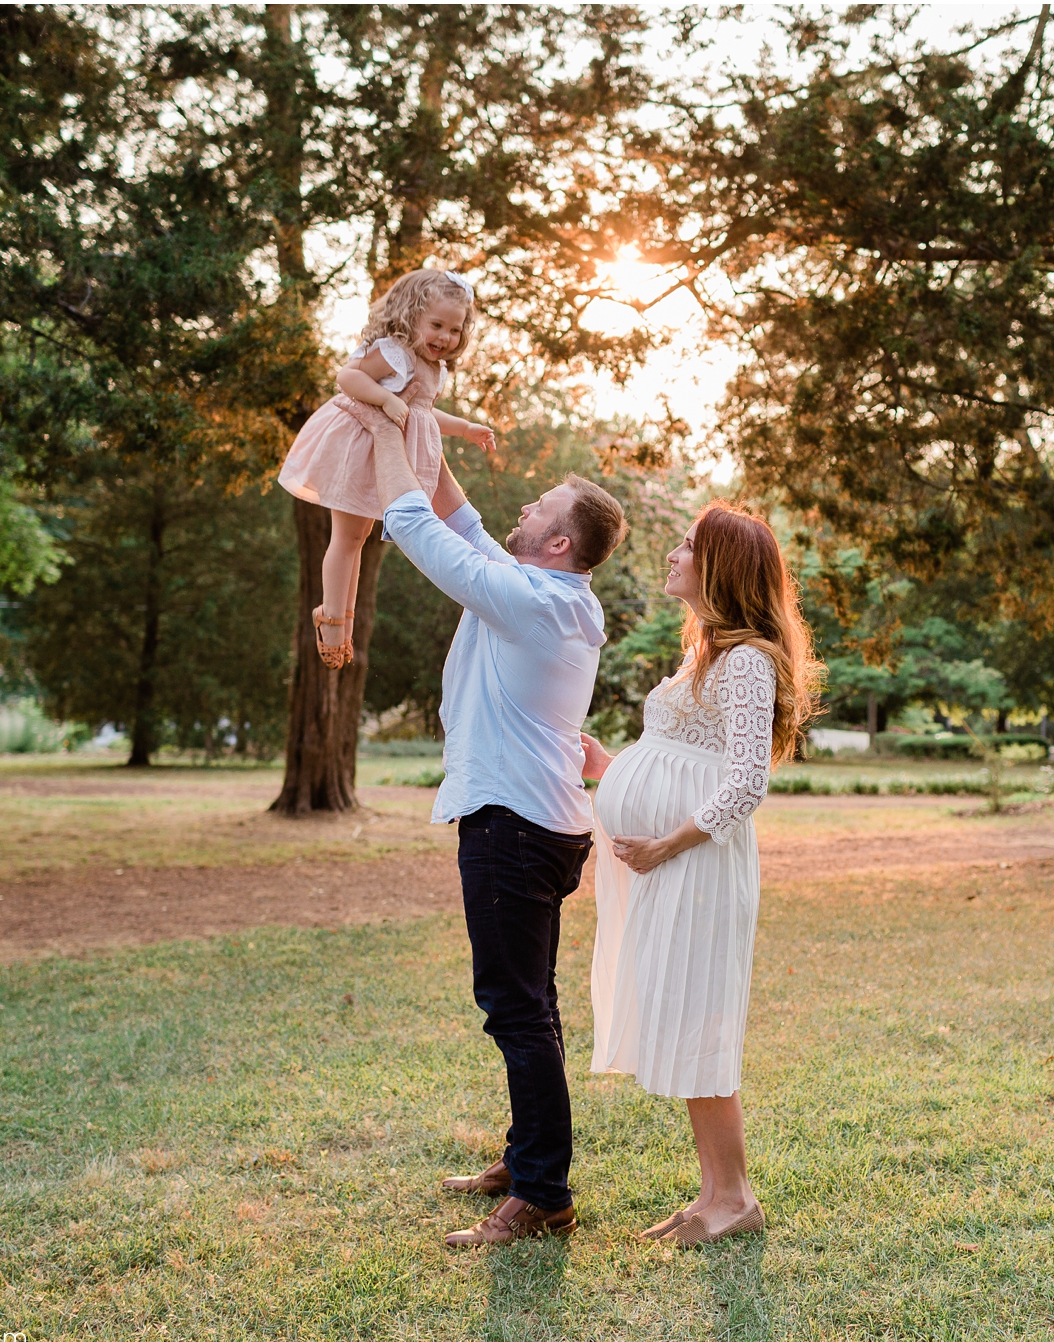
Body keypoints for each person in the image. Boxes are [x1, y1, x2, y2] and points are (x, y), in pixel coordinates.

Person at [366, 411, 629, 1249]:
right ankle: (525, 1162)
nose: (523, 508)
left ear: (559, 544)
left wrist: (377, 431)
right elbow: (462, 518)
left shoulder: (528, 602)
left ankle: (544, 1193)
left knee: (515, 1010)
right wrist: (420, 425)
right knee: (531, 1004)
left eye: (541, 506)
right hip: (535, 821)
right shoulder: (546, 593)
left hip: (513, 826)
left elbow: (417, 526)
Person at [579, 503, 821, 1247]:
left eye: (687, 545)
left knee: (702, 1020)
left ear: (719, 567)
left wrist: (667, 844)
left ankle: (736, 1197)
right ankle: (714, 1191)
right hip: (675, 862)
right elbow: (688, 760)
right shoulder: (706, 652)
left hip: (700, 865)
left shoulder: (747, 661)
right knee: (684, 1017)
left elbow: (745, 782)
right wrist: (612, 770)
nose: (673, 553)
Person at [276, 267, 498, 669]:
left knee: (359, 538)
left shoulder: (435, 367)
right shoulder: (394, 351)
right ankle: (331, 619)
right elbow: (347, 377)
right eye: (436, 325)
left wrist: (464, 428)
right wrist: (384, 398)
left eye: (454, 329)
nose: (444, 338)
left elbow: (424, 414)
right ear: (411, 315)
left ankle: (344, 618)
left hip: (386, 459)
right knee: (345, 536)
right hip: (359, 446)